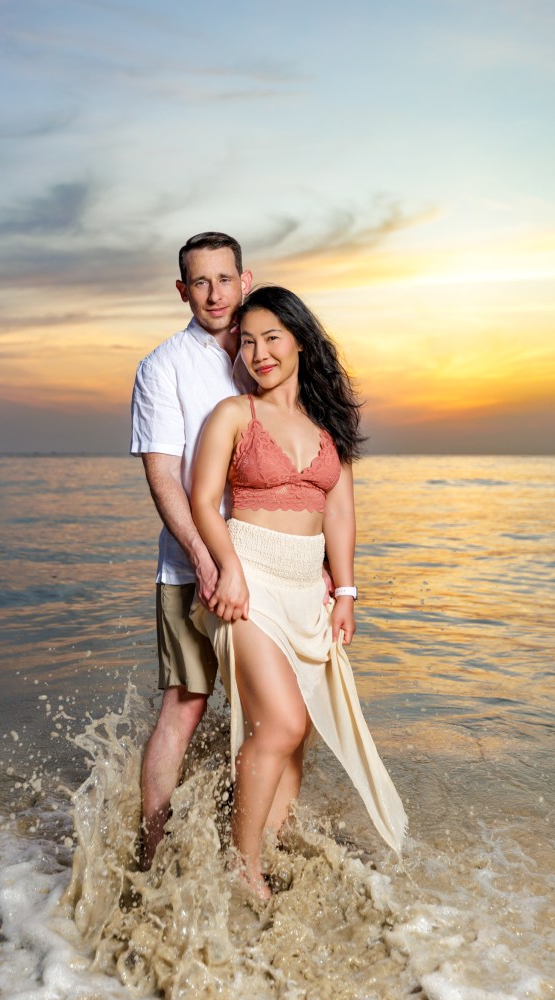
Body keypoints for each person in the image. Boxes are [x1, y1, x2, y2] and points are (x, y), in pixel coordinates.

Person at [190, 285, 408, 897]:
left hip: (306, 587)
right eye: (248, 340)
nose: (258, 352)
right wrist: (228, 569)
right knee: (282, 724)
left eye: (272, 338)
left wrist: (346, 593)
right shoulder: (234, 415)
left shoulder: (327, 428)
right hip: (250, 580)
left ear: (300, 341)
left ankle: (272, 841)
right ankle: (242, 867)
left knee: (297, 731)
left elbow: (339, 516)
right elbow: (203, 501)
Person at [130, 231, 253, 870]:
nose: (213, 294)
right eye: (199, 282)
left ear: (245, 279)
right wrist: (205, 561)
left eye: (223, 279)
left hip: (265, 563)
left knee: (267, 714)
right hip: (191, 569)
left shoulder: (266, 351)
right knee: (187, 703)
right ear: (183, 290)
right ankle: (151, 855)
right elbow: (161, 475)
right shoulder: (163, 367)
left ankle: (249, 849)